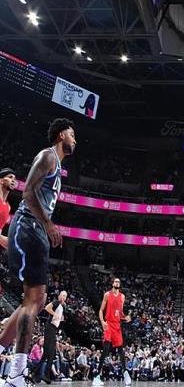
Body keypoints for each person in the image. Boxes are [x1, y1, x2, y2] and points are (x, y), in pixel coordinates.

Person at [0, 119, 75, 387]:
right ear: (61, 135)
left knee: (35, 300)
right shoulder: (48, 156)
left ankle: (5, 356)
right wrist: (48, 223)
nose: (75, 140)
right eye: (72, 134)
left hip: (32, 228)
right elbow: (28, 193)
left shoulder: (57, 166)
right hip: (30, 225)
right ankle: (16, 374)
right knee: (34, 300)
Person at [93, 277, 131, 386]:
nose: (117, 283)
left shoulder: (122, 297)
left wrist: (126, 317)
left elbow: (120, 313)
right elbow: (101, 310)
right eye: (116, 281)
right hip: (108, 324)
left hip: (117, 325)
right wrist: (102, 322)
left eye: (119, 282)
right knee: (106, 349)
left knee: (121, 350)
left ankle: (125, 372)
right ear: (112, 283)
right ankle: (97, 376)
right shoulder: (107, 295)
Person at [33, 291, 68, 384]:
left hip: (53, 329)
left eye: (65, 296)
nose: (64, 297)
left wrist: (60, 317)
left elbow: (59, 317)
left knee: (46, 354)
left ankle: (36, 374)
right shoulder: (56, 302)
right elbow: (47, 307)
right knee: (51, 353)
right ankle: (45, 375)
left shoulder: (61, 306)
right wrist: (55, 314)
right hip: (50, 328)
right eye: (63, 295)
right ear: (59, 296)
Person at [0, 168, 17, 250]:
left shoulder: (8, 207)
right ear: (1, 181)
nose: (13, 180)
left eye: (14, 179)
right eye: (10, 177)